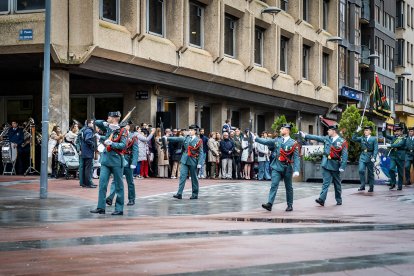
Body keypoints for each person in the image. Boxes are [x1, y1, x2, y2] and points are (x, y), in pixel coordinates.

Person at [90, 111, 128, 216]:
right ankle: (101, 207)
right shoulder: (108, 128)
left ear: (115, 118)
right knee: (102, 185)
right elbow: (96, 122)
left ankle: (119, 208)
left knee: (119, 186)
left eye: (109, 117)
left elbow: (123, 145)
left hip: (116, 161)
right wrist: (106, 124)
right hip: (106, 160)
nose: (107, 118)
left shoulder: (123, 130)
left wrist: (112, 143)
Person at [300, 125, 348, 206]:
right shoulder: (327, 138)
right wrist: (306, 135)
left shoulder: (342, 141)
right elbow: (317, 137)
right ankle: (322, 199)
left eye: (329, 130)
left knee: (337, 184)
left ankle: (338, 199)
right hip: (326, 164)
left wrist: (342, 166)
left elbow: (345, 154)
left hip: (335, 165)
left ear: (334, 131)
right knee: (325, 183)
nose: (327, 132)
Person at [256, 124, 300, 212]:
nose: (280, 130)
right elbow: (266, 142)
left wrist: (296, 170)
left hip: (287, 167)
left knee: (289, 187)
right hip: (276, 166)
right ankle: (269, 204)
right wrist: (256, 138)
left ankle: (290, 205)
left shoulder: (293, 143)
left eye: (282, 129)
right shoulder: (277, 140)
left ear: (287, 130)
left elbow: (296, 157)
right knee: (274, 185)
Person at [106, 121, 139, 206]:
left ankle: (131, 199)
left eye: (125, 126)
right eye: (123, 126)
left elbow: (135, 151)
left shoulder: (133, 136)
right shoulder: (118, 134)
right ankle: (110, 198)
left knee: (130, 181)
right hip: (119, 159)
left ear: (128, 126)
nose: (124, 128)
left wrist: (134, 162)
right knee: (115, 180)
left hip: (128, 161)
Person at [167, 125, 203, 199]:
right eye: (189, 130)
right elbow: (177, 139)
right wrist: (167, 138)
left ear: (195, 131)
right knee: (182, 176)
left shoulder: (198, 140)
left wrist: (199, 163)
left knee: (194, 178)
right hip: (184, 159)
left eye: (191, 130)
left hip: (193, 160)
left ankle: (195, 194)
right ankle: (179, 193)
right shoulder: (186, 138)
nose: (189, 131)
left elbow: (201, 152)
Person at [352, 125, 378, 192]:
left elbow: (375, 149)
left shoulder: (373, 139)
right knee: (361, 170)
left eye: (367, 130)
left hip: (370, 156)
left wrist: (374, 157)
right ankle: (362, 185)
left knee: (370, 172)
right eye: (364, 130)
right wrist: (357, 131)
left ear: (370, 131)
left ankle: (371, 186)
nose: (365, 131)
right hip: (363, 156)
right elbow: (353, 138)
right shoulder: (362, 138)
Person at [382, 123, 406, 190]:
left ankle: (400, 185)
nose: (396, 132)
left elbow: (399, 144)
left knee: (400, 172)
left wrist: (391, 145)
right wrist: (384, 128)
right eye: (395, 131)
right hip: (393, 156)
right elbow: (385, 135)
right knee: (391, 169)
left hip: (400, 157)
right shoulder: (393, 137)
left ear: (401, 131)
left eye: (398, 131)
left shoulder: (403, 138)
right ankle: (393, 182)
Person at [79, 120, 96, 188]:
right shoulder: (89, 131)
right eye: (92, 123)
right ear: (88, 124)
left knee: (85, 168)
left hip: (84, 151)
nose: (93, 124)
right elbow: (87, 139)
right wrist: (93, 144)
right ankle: (88, 183)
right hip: (88, 151)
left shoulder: (84, 130)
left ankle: (85, 183)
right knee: (88, 168)